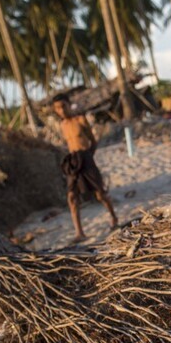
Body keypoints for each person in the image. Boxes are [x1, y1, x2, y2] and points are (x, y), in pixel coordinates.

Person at [53, 92, 118, 241]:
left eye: (63, 106)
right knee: (72, 196)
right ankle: (79, 233)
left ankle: (114, 218)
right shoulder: (62, 125)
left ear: (69, 104)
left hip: (86, 158)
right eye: (57, 108)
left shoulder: (80, 120)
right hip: (73, 161)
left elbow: (93, 141)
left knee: (100, 194)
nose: (61, 110)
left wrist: (89, 157)